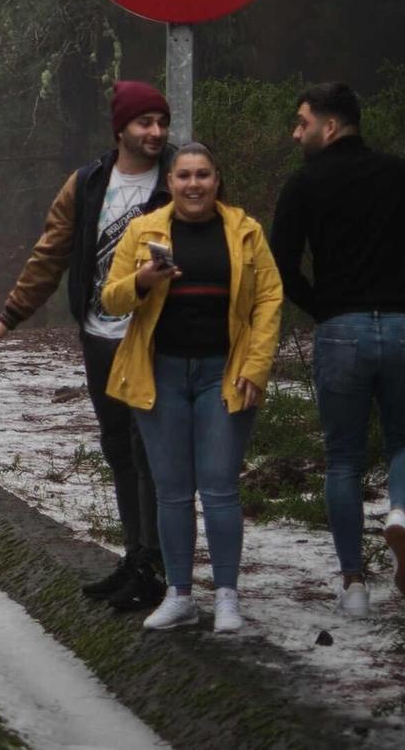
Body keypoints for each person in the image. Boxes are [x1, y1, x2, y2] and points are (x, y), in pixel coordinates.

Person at [269, 82, 405, 618]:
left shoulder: (305, 184)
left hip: (342, 331)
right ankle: (401, 513)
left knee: (343, 459)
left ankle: (354, 583)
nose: (296, 132)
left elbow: (280, 264)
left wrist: (323, 306)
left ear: (329, 127)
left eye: (302, 122)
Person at [0, 80, 173, 610]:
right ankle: (134, 558)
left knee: (150, 450)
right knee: (118, 448)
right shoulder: (88, 184)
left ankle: (157, 565)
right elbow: (51, 253)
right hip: (101, 336)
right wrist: (10, 315)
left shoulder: (181, 176)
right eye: (144, 123)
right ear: (121, 129)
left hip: (157, 338)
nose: (155, 132)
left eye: (161, 122)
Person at [99, 141, 284, 634]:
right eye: (184, 176)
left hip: (224, 373)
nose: (194, 184)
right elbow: (111, 300)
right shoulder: (144, 230)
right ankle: (180, 594)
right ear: (171, 184)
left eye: (203, 175)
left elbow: (269, 299)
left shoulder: (245, 232)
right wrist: (144, 278)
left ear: (217, 180)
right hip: (160, 374)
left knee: (221, 487)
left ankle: (227, 596)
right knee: (173, 491)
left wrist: (257, 365)